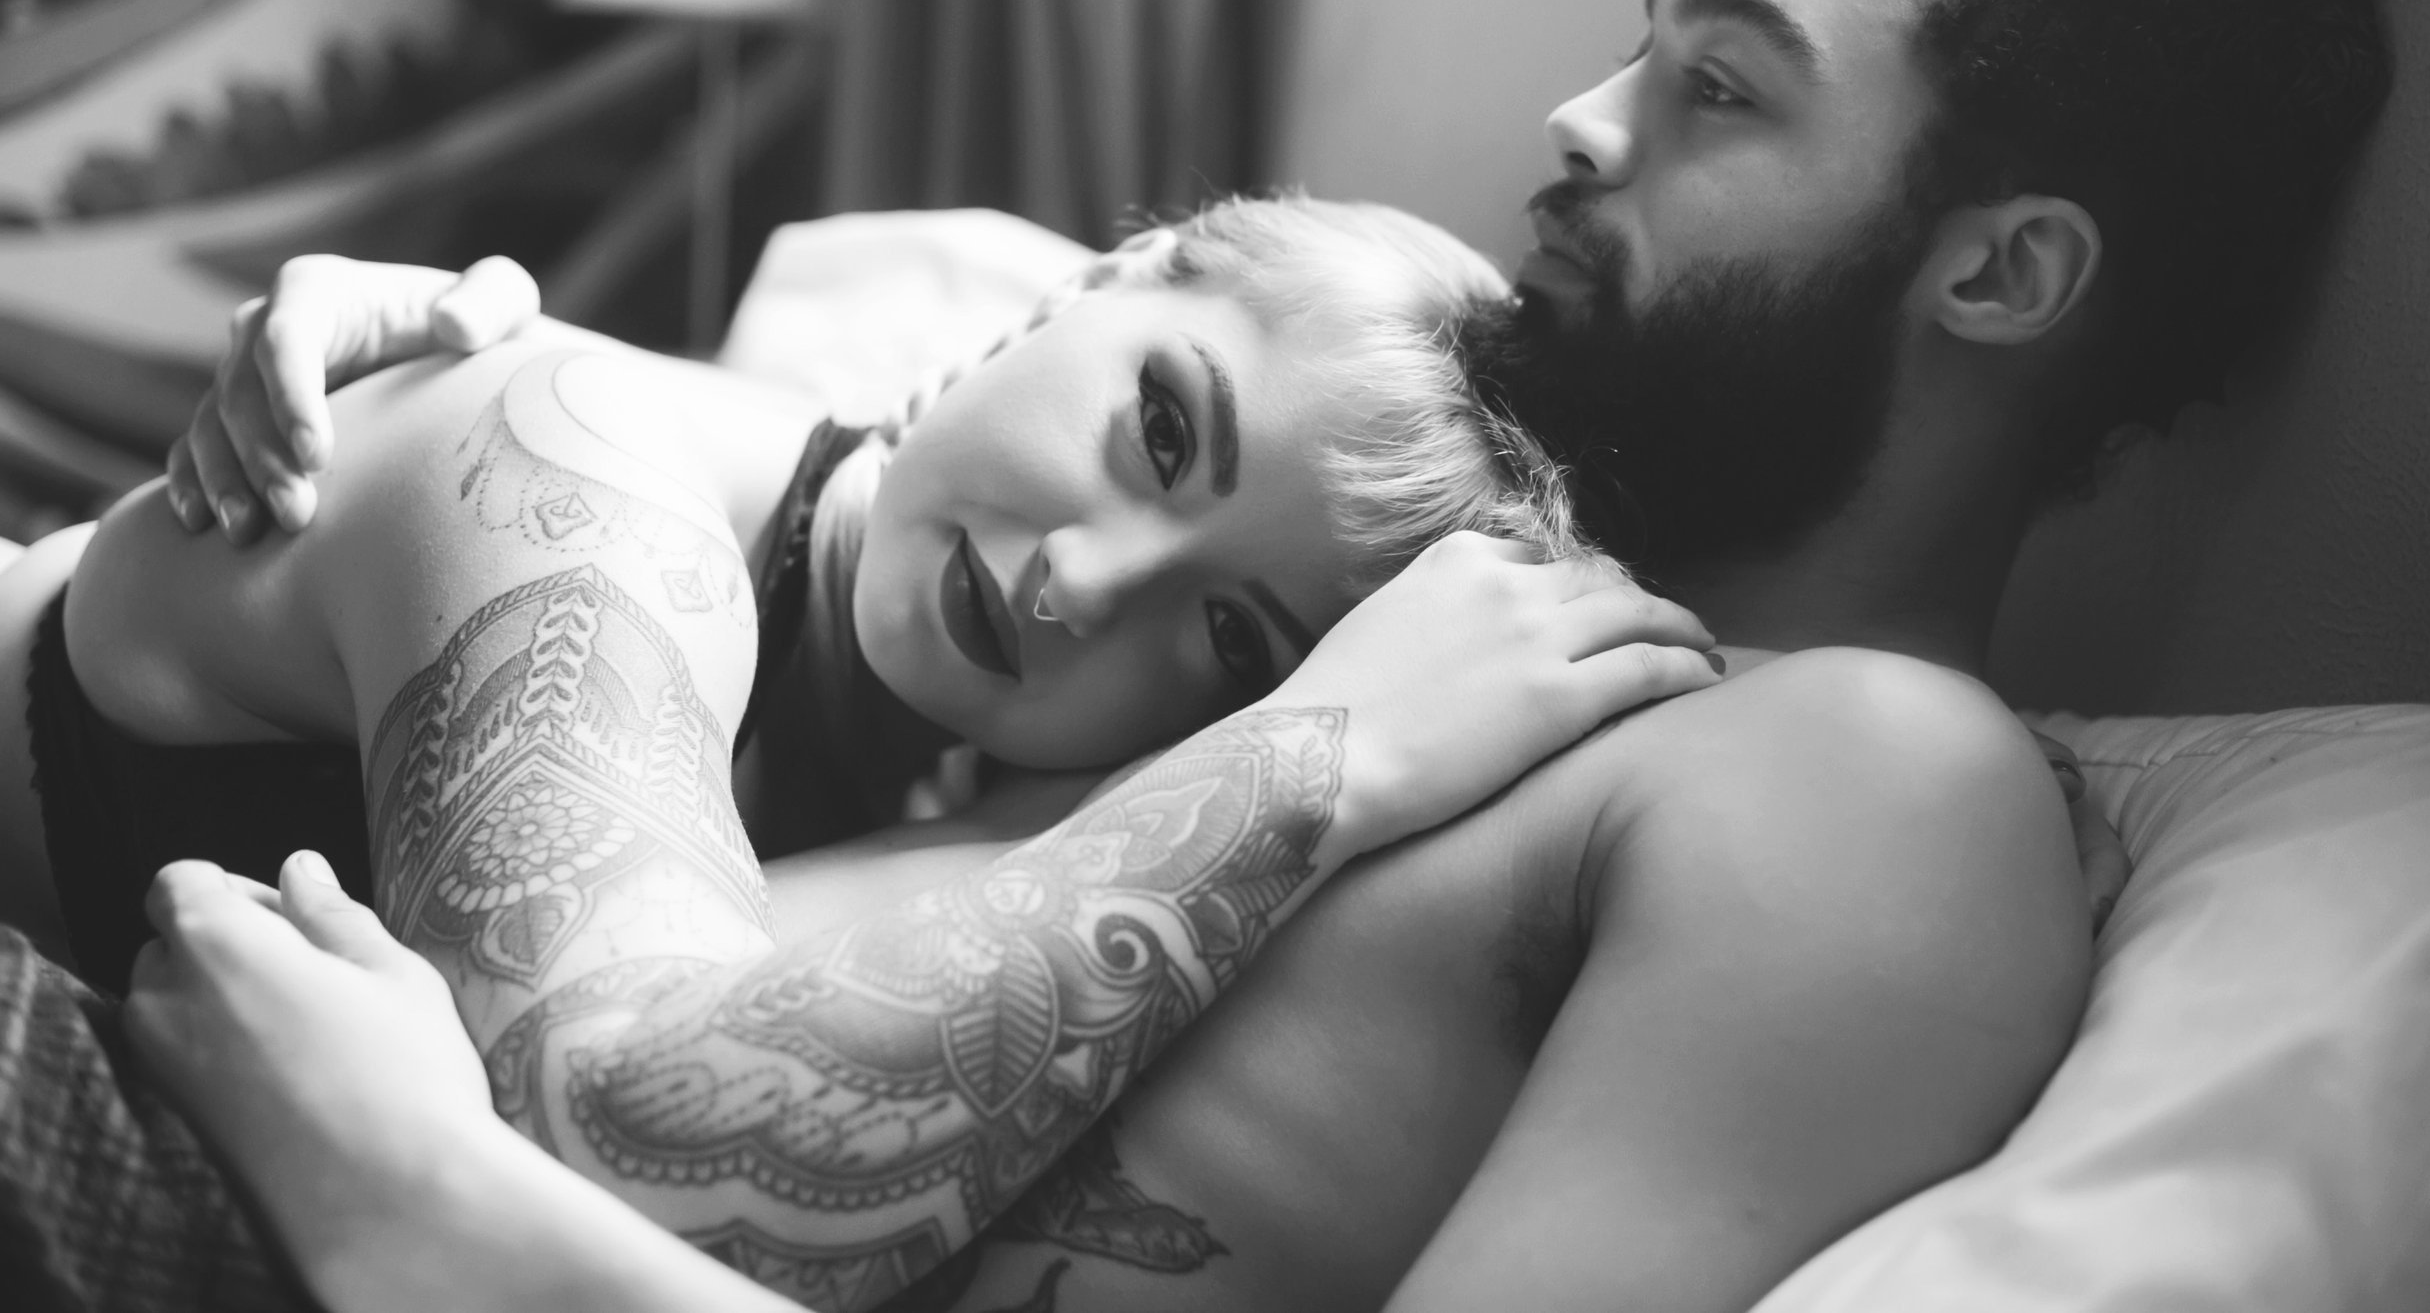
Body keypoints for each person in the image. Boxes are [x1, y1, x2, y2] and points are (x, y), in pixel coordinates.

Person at [73, 0, 2394, 1312]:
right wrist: (480, 391)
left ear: (1997, 274)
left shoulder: (1861, 782)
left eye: (1717, 85)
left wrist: (437, 1213)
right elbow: (856, 527)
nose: (1577, 126)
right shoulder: (1366, 608)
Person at [0, 195, 1720, 1310]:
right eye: (1160, 425)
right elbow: (608, 1133)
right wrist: (1310, 758)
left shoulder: (957, 762)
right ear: (1097, 281)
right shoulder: (588, 476)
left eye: (1229, 638)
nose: (1078, 584)